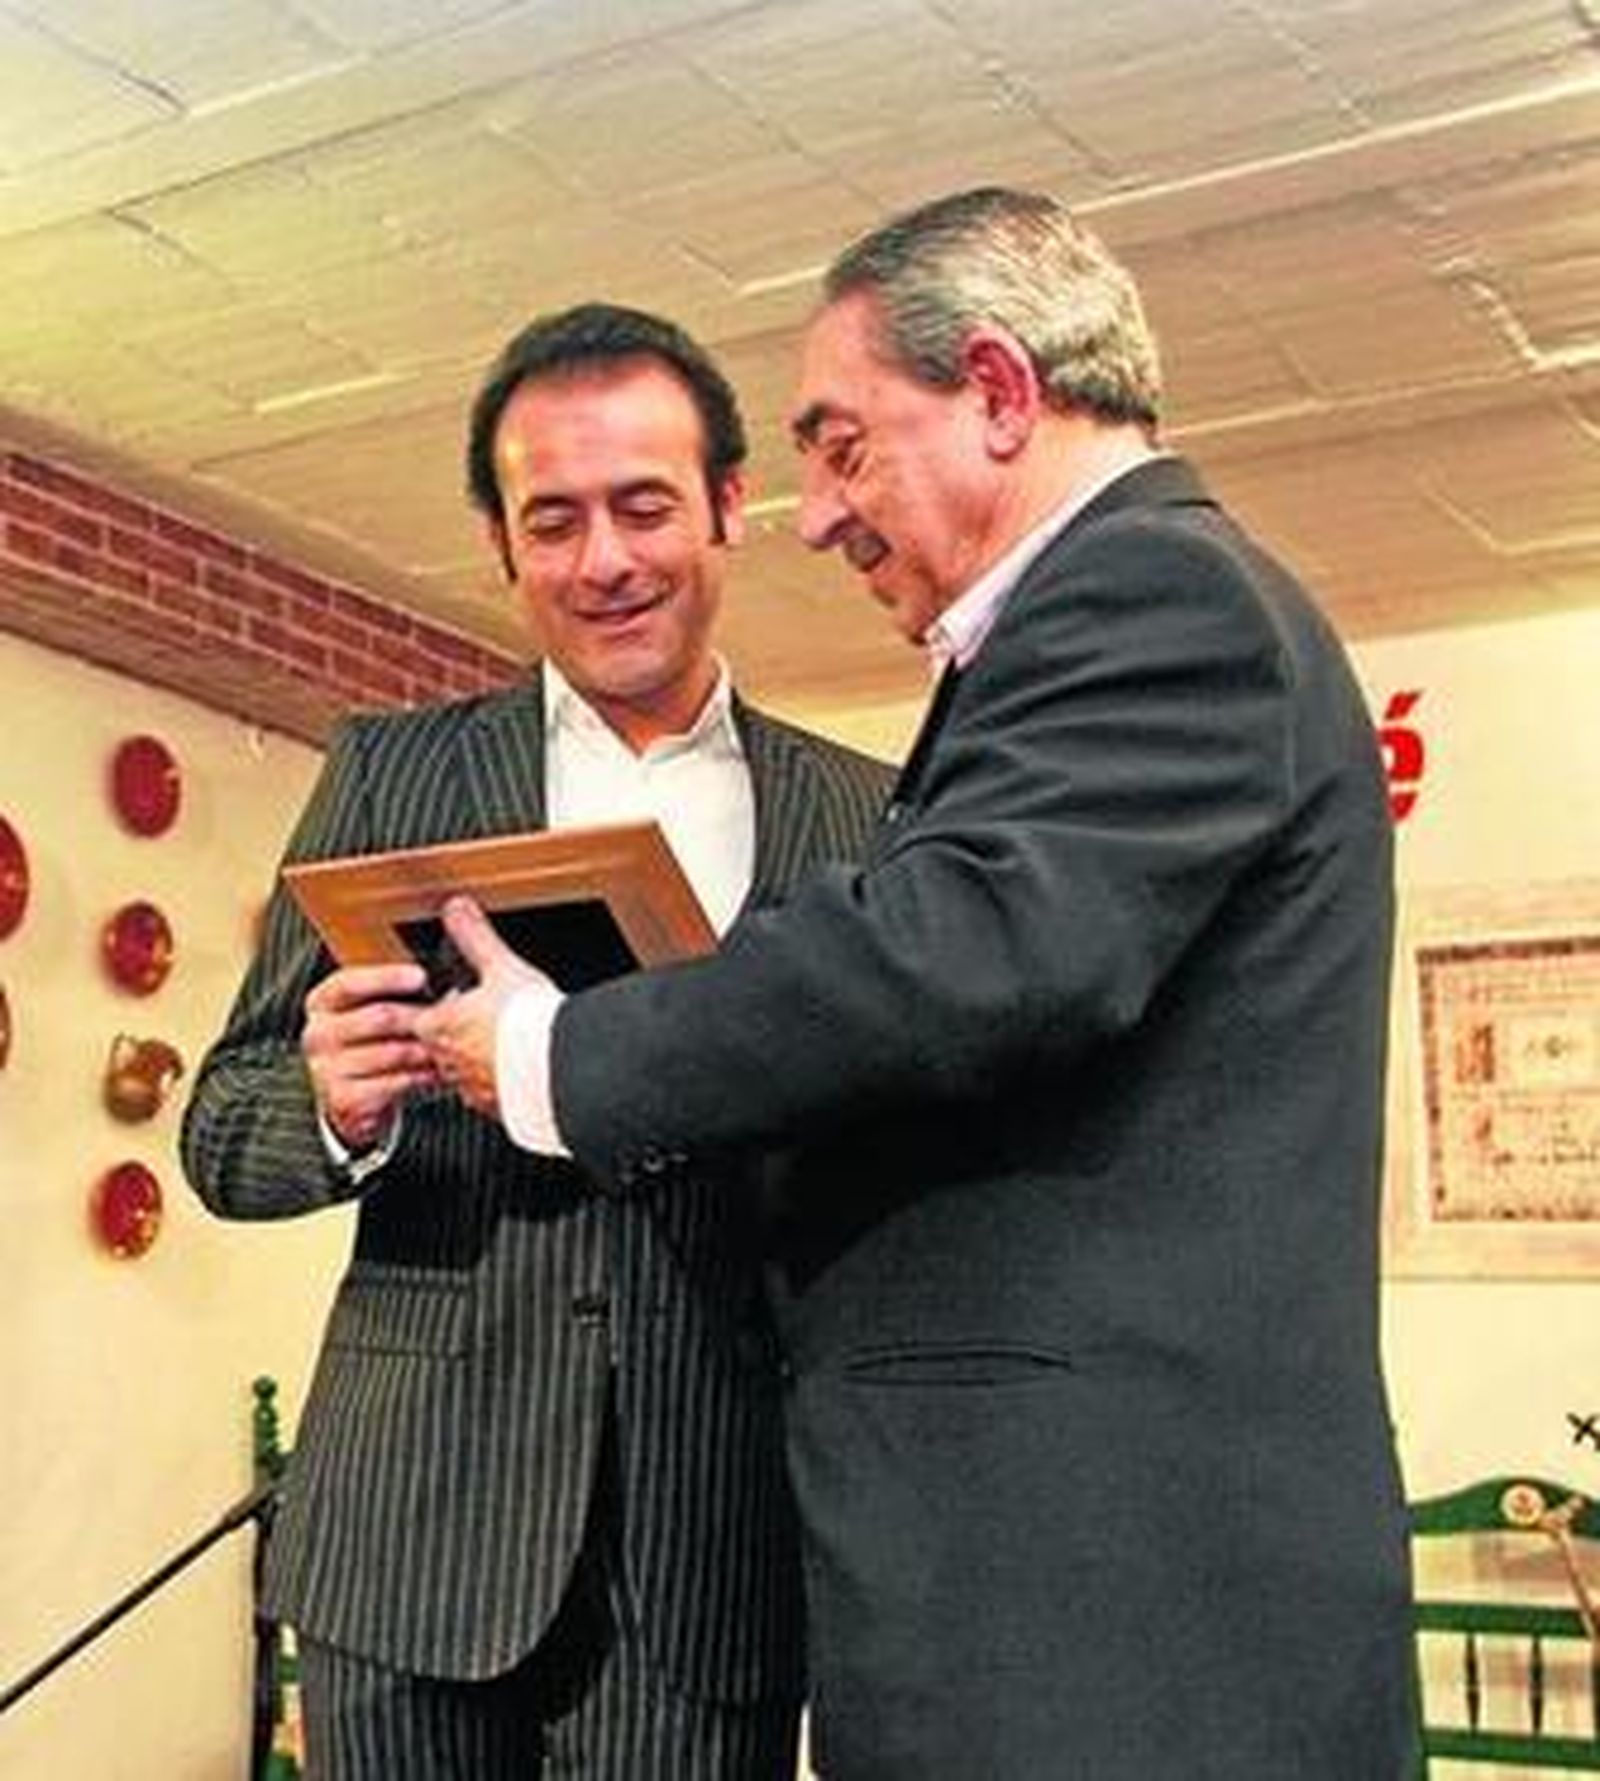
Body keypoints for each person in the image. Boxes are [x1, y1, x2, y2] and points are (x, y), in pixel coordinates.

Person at [416, 191, 1420, 1779]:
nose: (818, 515)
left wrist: (553, 1054)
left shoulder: (1161, 592)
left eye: (842, 446)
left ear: (1002, 391)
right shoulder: (1090, 627)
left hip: (1112, 1613)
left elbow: (955, 953)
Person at [180, 302, 893, 1780]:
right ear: (501, 546)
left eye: (645, 505)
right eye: (552, 521)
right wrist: (332, 1105)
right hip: (412, 1538)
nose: (604, 560)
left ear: (729, 506)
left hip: (716, 1556)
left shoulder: (867, 816)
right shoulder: (395, 772)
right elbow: (222, 1127)